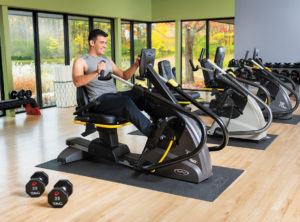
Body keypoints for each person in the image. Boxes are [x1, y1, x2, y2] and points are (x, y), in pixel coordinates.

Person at [72, 29, 155, 137]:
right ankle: (153, 133)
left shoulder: (107, 60)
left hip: (114, 96)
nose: (105, 46)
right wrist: (96, 72)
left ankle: (163, 125)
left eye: (106, 43)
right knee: (125, 102)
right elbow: (77, 82)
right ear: (92, 43)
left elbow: (124, 76)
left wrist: (136, 64)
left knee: (144, 95)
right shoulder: (81, 61)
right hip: (99, 100)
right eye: (102, 42)